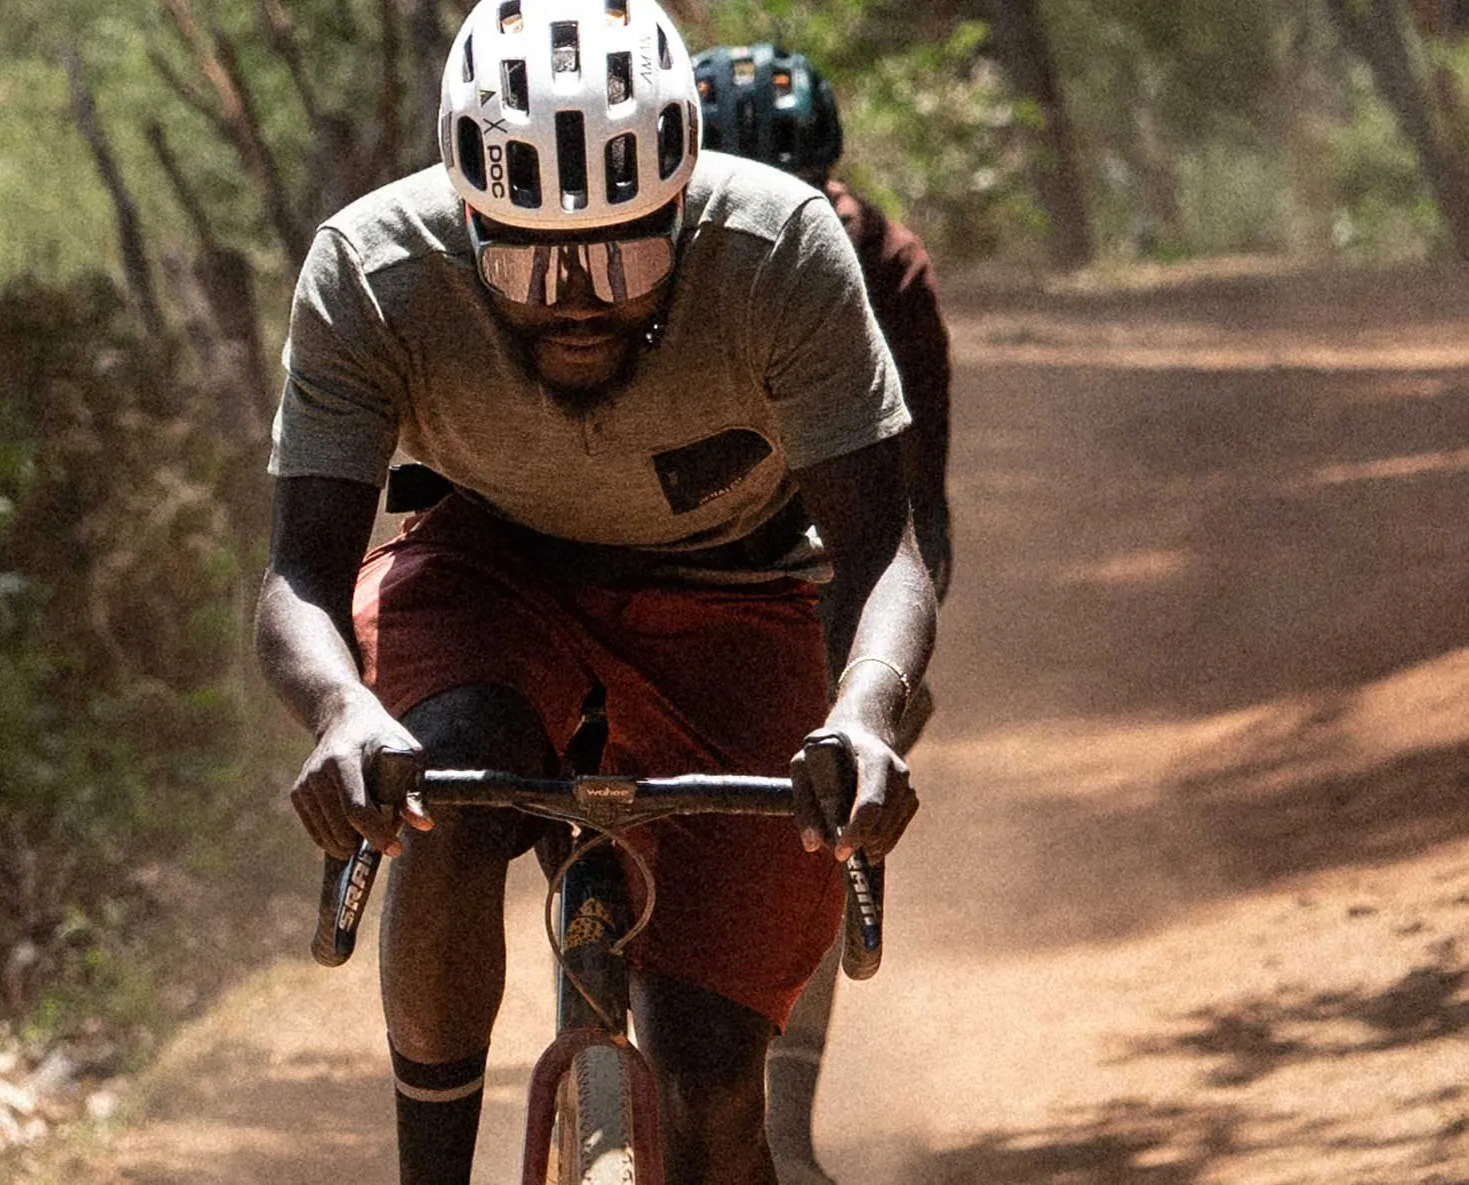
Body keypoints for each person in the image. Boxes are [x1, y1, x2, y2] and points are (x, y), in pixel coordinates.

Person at [254, 1, 937, 1181]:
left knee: (719, 1086)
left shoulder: (779, 252)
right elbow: (299, 579)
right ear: (466, 221)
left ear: (683, 204)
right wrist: (343, 712)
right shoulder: (371, 271)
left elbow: (885, 553)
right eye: (523, 258)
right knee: (447, 786)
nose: (575, 295)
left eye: (623, 254)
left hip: (737, 587)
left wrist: (866, 710)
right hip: (486, 572)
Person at [689, 41, 957, 1185]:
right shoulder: (649, 260)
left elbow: (917, 509)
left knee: (817, 796)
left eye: (806, 199)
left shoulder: (885, 269)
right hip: (665, 544)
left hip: (822, 561)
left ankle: (784, 1120)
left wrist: (873, 679)